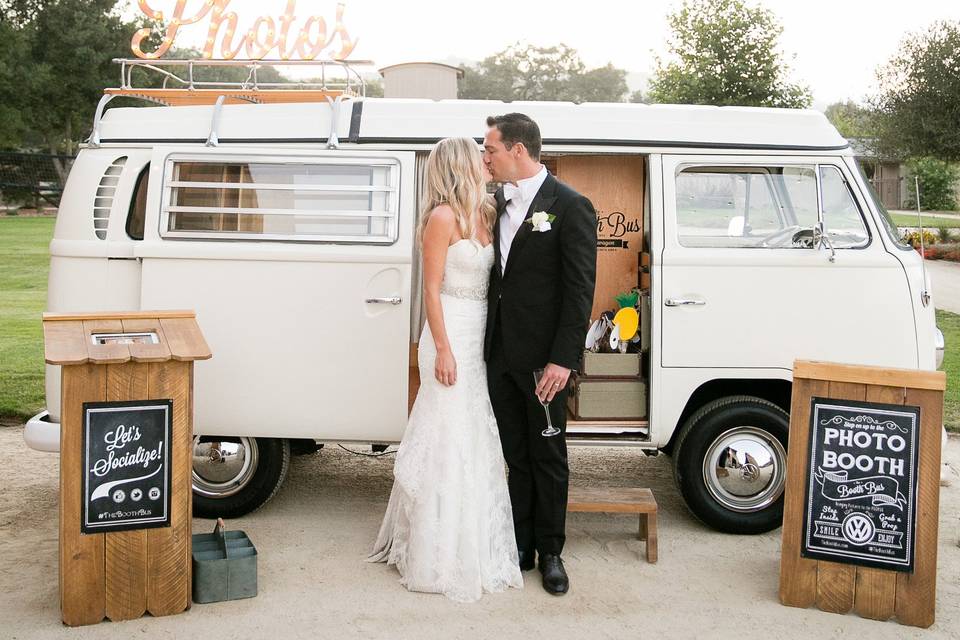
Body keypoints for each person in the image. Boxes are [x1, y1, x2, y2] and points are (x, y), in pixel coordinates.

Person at [368, 137, 523, 603]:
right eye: (478, 154)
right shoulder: (441, 218)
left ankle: (475, 542)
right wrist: (443, 349)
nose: (485, 159)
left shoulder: (488, 213)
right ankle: (437, 554)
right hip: (448, 332)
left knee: (476, 433)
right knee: (448, 435)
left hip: (479, 334)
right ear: (460, 164)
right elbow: (431, 291)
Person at [482, 113, 598, 596]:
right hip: (500, 357)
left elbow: (578, 292)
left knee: (548, 455)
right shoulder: (492, 204)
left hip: (545, 364)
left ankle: (551, 553)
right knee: (515, 455)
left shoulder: (570, 206)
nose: (484, 157)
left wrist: (562, 360)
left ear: (518, 150)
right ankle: (522, 545)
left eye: (490, 149)